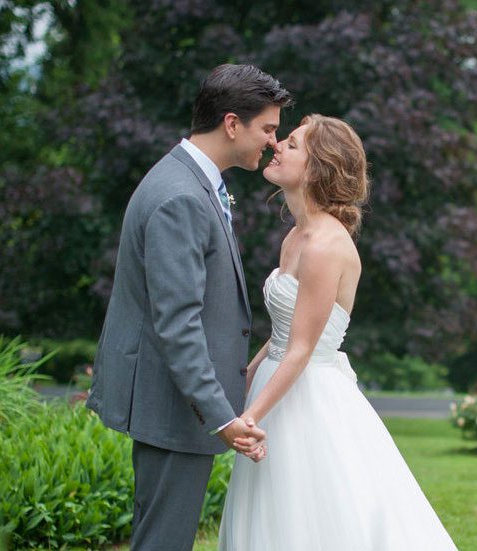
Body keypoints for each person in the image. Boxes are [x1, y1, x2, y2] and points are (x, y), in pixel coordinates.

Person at [217, 114, 457, 550]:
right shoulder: (294, 238)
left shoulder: (326, 245)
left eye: (291, 144)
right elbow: (282, 335)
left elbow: (302, 349)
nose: (277, 147)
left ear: (317, 167)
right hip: (278, 383)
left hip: (308, 398)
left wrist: (251, 418)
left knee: (311, 516)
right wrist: (239, 391)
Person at [86, 63, 292, 551]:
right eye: (267, 128)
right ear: (231, 123)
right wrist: (221, 416)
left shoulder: (190, 181)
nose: (272, 142)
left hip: (173, 403)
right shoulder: (180, 196)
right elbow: (177, 323)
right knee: (163, 542)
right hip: (174, 407)